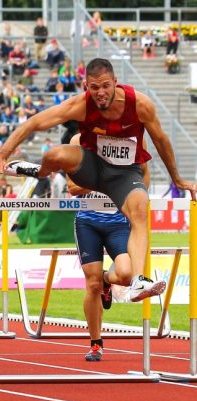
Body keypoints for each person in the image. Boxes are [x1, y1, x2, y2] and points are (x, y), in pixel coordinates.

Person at [0, 58, 196, 301]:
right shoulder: (81, 105)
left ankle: (139, 281)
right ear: (86, 85)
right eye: (94, 87)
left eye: (105, 86)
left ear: (116, 83)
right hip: (91, 167)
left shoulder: (140, 105)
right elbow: (34, 123)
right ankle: (40, 172)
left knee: (140, 210)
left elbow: (161, 141)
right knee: (54, 154)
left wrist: (177, 179)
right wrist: (3, 152)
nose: (100, 93)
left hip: (124, 174)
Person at [68, 133, 151, 361]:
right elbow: (73, 187)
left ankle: (108, 279)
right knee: (92, 284)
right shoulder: (78, 141)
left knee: (125, 275)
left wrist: (132, 195)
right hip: (88, 221)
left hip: (118, 221)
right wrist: (108, 182)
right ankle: (96, 343)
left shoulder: (133, 138)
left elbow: (144, 175)